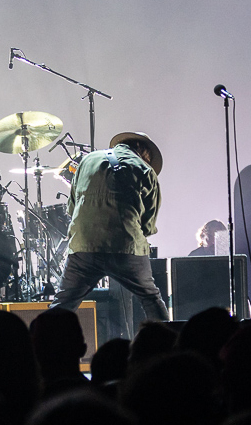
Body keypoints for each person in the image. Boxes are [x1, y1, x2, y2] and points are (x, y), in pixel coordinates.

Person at [50, 132, 169, 324]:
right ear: (141, 149)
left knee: (62, 305)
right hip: (125, 247)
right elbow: (148, 225)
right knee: (151, 299)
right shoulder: (146, 170)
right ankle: (169, 346)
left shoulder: (87, 161)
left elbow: (72, 209)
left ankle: (39, 346)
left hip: (84, 247)